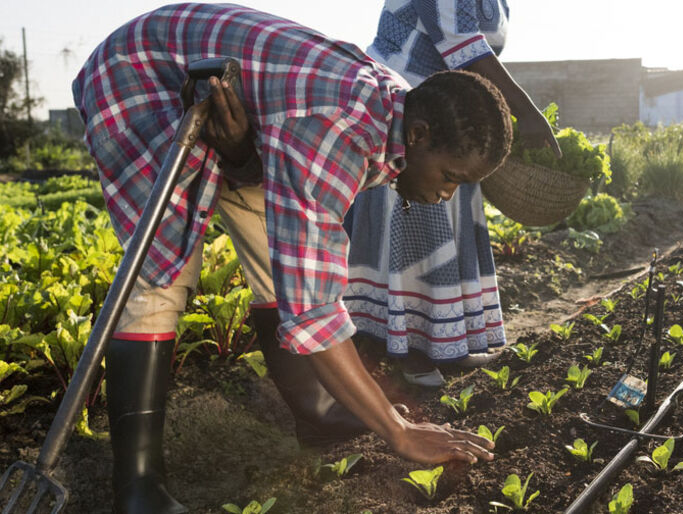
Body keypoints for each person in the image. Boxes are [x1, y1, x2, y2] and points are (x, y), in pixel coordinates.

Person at [72, 4, 503, 513]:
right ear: (420, 137)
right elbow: (316, 310)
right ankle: (137, 487)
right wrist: (399, 430)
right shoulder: (334, 131)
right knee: (160, 276)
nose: (447, 194)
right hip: (141, 76)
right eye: (450, 176)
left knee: (279, 260)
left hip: (234, 99)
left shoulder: (395, 107)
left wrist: (238, 157)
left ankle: (317, 413)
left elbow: (302, 270)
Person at [343, 0, 561, 387]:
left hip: (455, 121)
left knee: (444, 224)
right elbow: (460, 41)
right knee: (414, 224)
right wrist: (525, 111)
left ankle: (443, 343)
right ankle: (406, 350)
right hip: (410, 110)